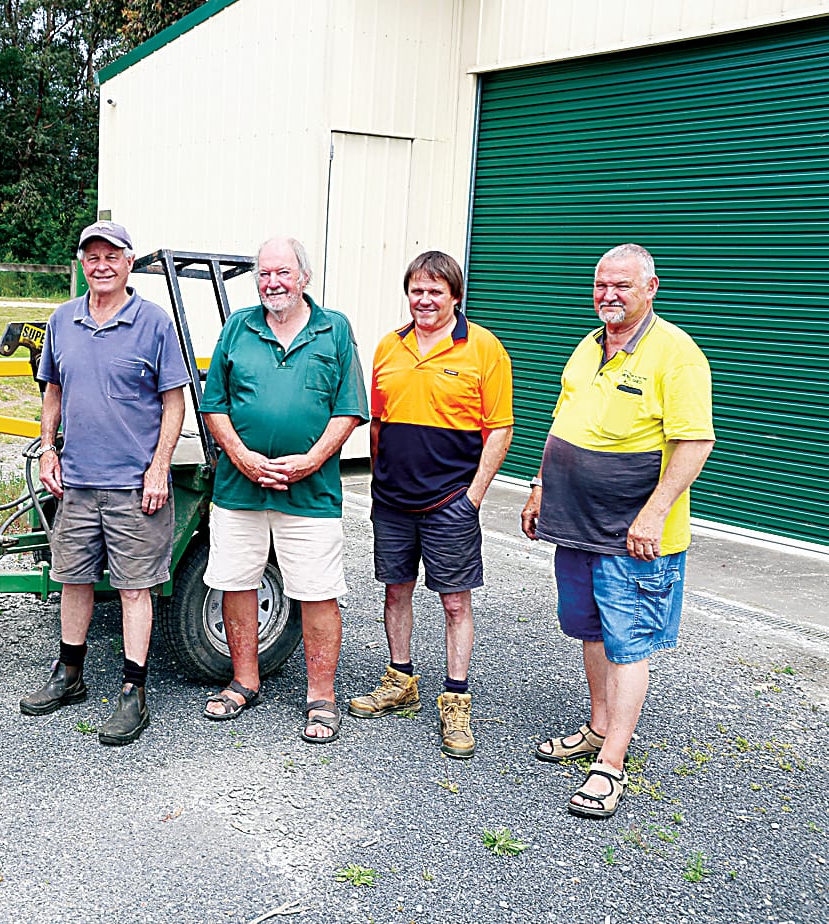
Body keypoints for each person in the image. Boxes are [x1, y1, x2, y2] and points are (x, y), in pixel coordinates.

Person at [522, 243, 714, 818]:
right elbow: (564, 421)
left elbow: (694, 441)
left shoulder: (677, 354)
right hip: (577, 525)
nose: (608, 295)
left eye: (622, 286)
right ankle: (599, 728)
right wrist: (539, 486)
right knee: (592, 630)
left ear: (650, 288)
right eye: (601, 284)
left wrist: (653, 513)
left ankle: (611, 764)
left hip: (634, 533)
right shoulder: (590, 345)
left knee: (628, 644)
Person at [20, 220, 189, 746]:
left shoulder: (154, 324)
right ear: (81, 264)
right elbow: (52, 390)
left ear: (128, 263)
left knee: (135, 588)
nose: (101, 265)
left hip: (134, 485)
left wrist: (159, 467)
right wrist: (49, 448)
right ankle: (69, 675)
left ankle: (132, 692)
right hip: (76, 482)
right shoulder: (61, 321)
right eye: (91, 257)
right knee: (73, 579)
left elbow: (174, 402)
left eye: (111, 256)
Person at [199, 237, 367, 743]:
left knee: (318, 593)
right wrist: (244, 458)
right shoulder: (238, 326)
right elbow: (214, 405)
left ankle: (321, 696)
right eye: (264, 273)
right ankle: (244, 680)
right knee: (235, 583)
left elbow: (350, 407)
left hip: (311, 492)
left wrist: (312, 460)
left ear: (304, 277)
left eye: (282, 273)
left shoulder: (333, 329)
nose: (272, 282)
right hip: (239, 488)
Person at [348, 251, 513, 760]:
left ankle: (457, 698)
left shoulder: (484, 348)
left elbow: (500, 428)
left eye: (435, 291)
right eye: (417, 290)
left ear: (455, 296)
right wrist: (379, 478)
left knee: (454, 601)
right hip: (393, 499)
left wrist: (475, 497)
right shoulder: (388, 347)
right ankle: (401, 680)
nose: (425, 299)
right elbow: (378, 424)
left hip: (451, 501)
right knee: (396, 592)